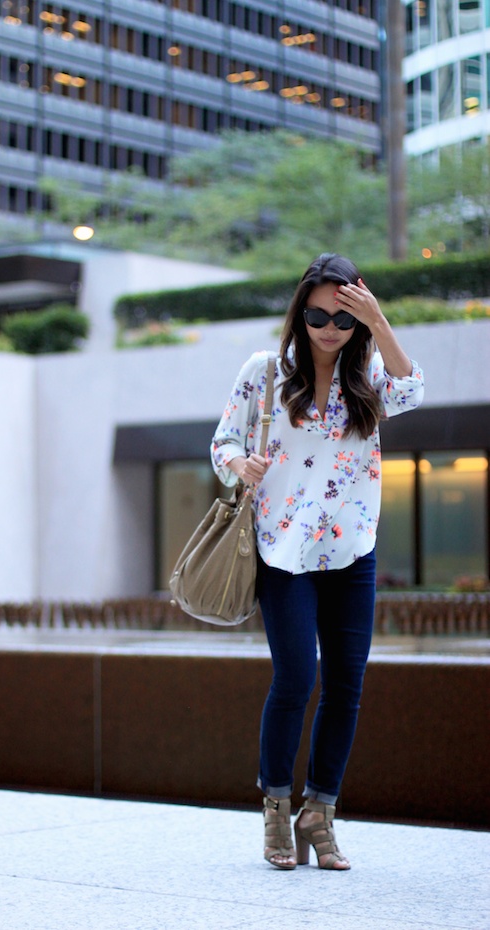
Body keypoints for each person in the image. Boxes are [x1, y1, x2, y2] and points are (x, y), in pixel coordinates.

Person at [210, 253, 424, 871]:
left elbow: (411, 392)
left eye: (344, 316)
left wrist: (380, 323)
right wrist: (239, 464)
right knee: (297, 677)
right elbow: (223, 439)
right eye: (318, 314)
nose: (330, 327)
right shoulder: (266, 372)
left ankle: (320, 812)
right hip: (283, 550)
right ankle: (277, 808)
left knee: (347, 685)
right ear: (300, 312)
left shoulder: (370, 375)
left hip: (352, 548)